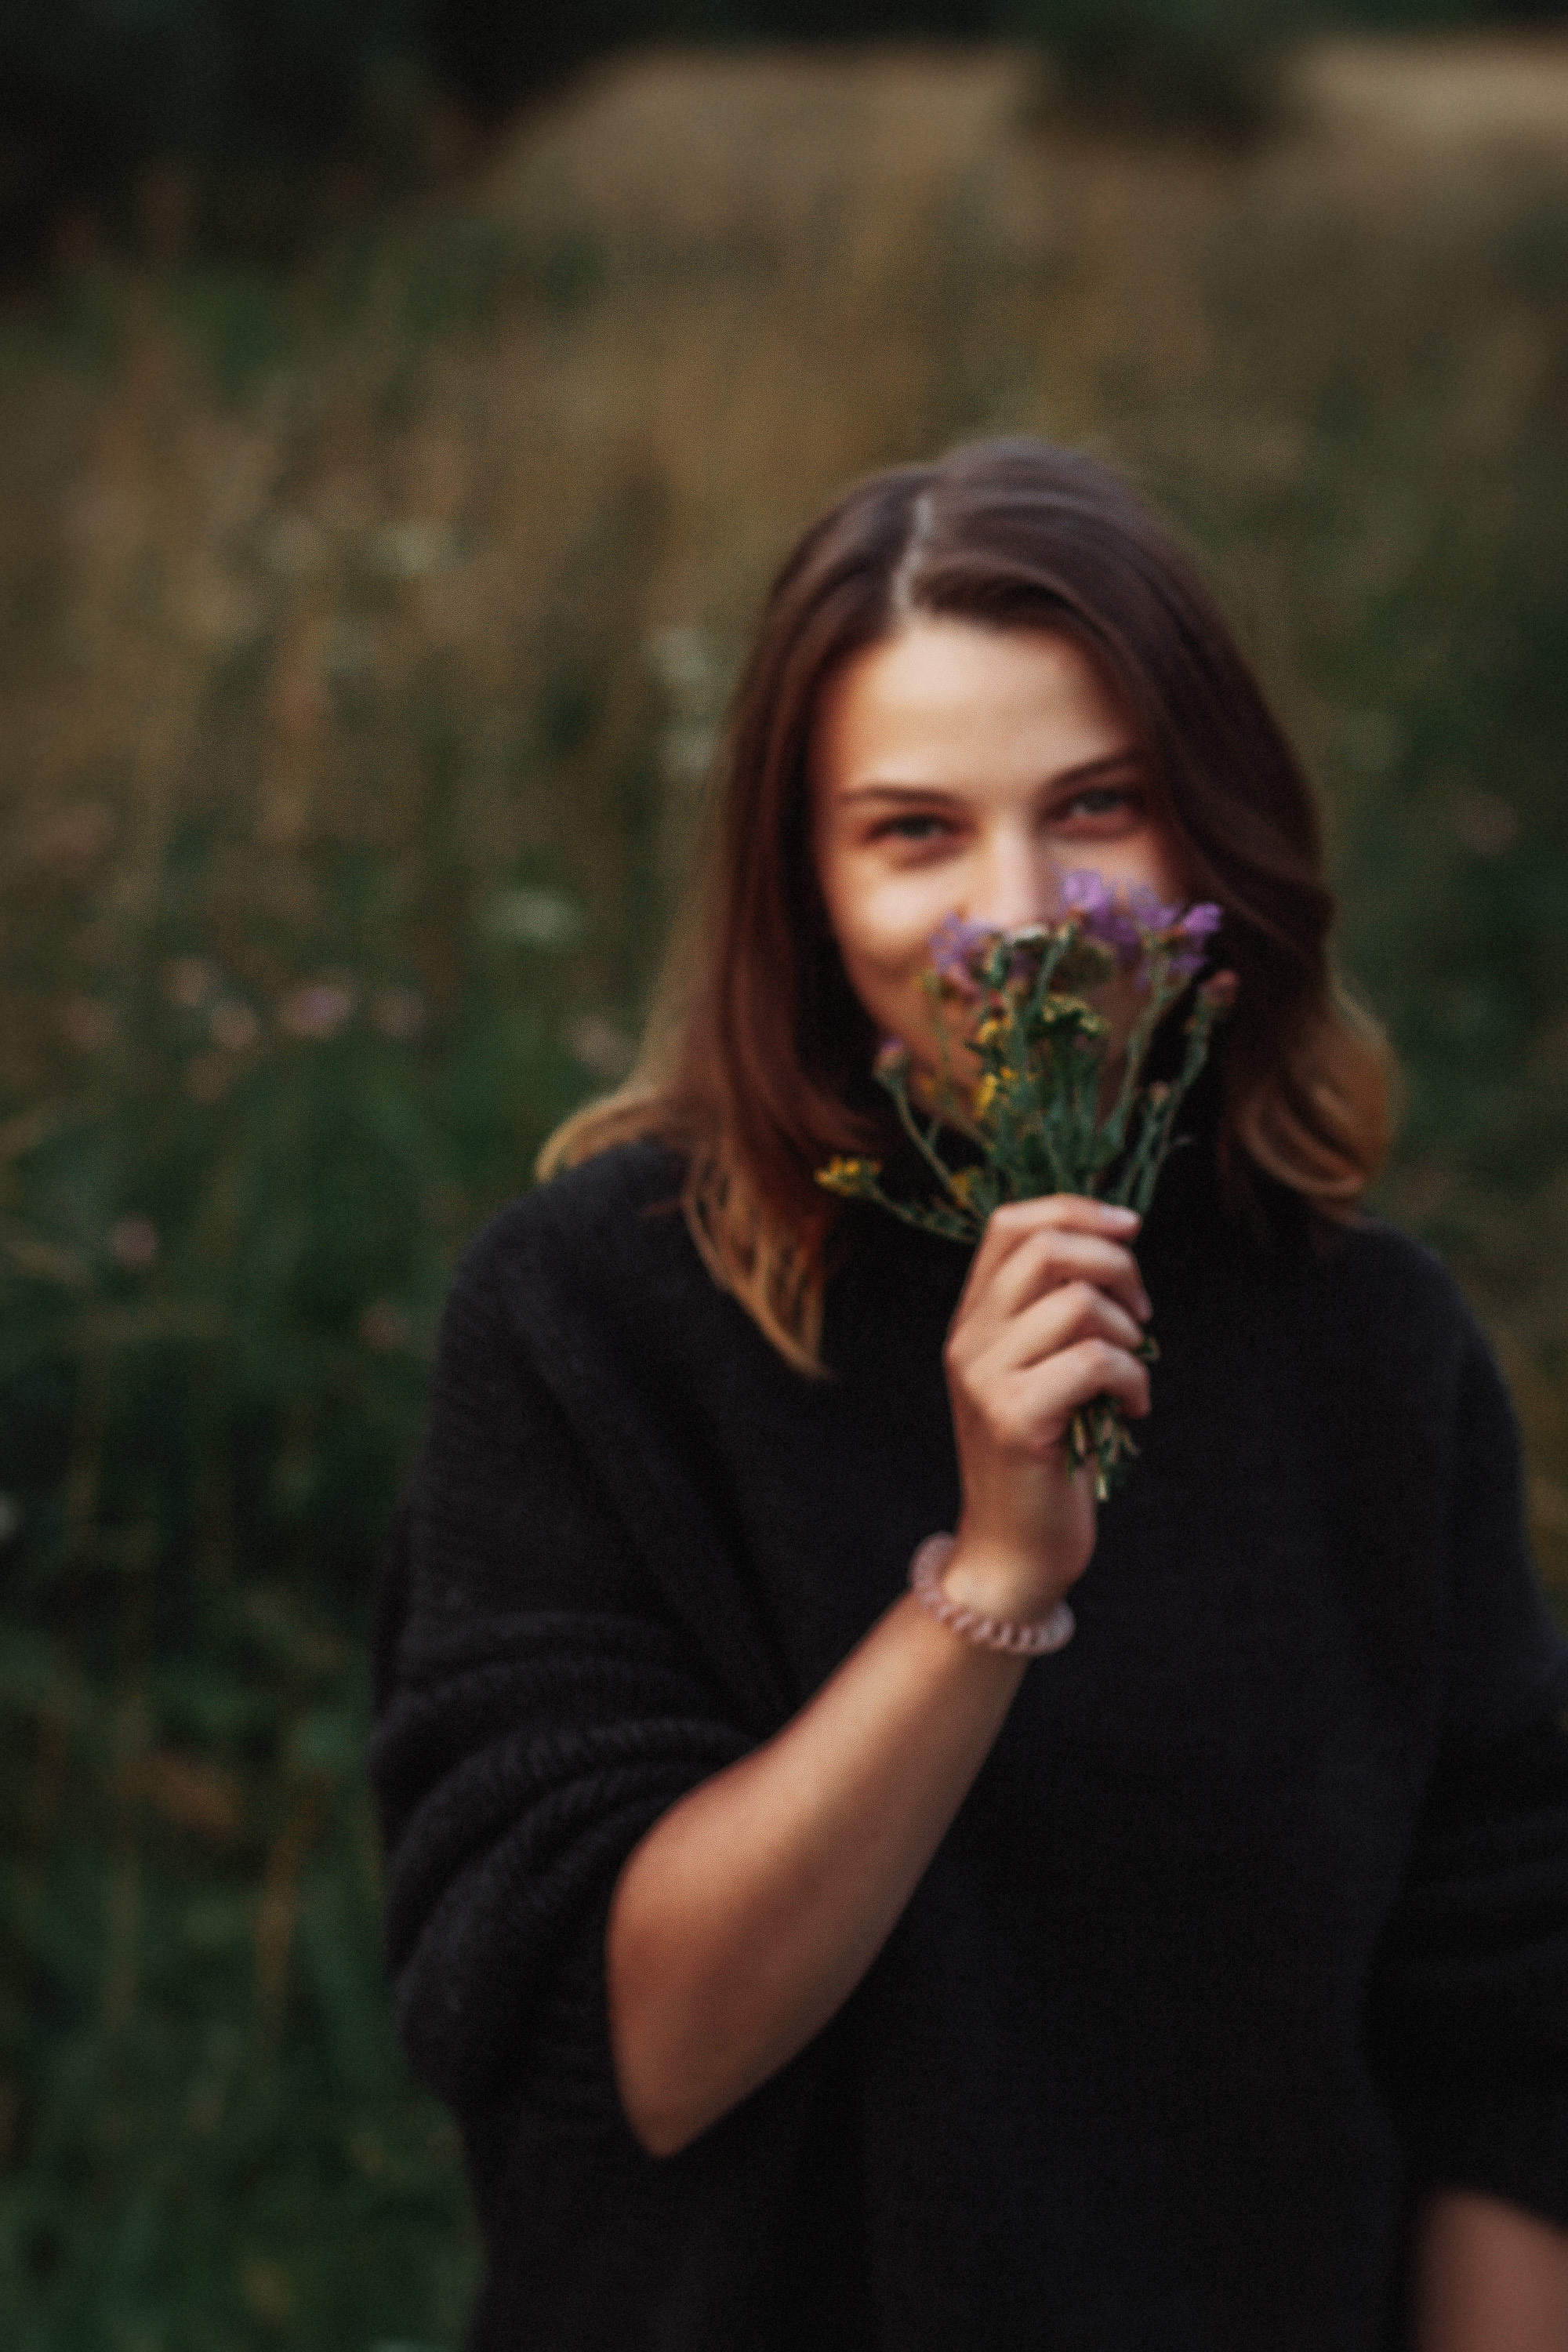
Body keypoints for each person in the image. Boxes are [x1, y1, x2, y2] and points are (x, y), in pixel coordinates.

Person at [370, 440, 1568, 2351]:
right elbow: (639, 2050)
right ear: (804, 881)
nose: (1021, 914)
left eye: (1095, 805)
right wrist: (994, 1577)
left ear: (1209, 841)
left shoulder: (1370, 1346)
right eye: (914, 830)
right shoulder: (592, 1319)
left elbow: (1507, 2033)